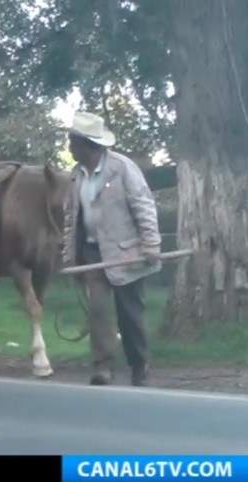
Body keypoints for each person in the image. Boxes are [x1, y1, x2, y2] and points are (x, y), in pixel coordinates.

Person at [60, 112, 161, 387]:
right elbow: (71, 217)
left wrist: (151, 243)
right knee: (99, 311)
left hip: (125, 253)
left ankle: (139, 367)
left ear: (86, 144)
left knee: (130, 314)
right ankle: (102, 366)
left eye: (72, 142)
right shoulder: (76, 175)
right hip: (93, 254)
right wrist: (69, 254)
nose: (69, 147)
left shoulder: (122, 168)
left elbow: (143, 205)